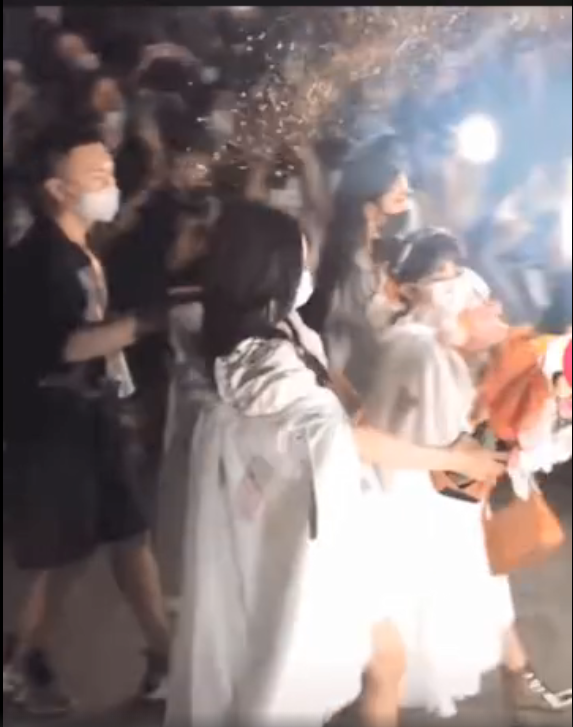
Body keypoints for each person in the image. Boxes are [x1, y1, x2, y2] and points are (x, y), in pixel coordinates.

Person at [163, 200, 506, 726]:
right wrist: (452, 456)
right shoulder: (261, 363)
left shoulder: (281, 329)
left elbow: (340, 405)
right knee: (360, 664)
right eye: (301, 260)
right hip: (310, 535)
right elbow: (343, 438)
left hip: (325, 516)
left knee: (378, 661)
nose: (309, 269)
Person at [360, 228, 571, 725]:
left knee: (475, 601)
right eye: (442, 275)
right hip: (418, 501)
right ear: (408, 288)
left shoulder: (429, 343)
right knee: (403, 635)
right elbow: (431, 444)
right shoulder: (417, 349)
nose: (459, 286)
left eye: (457, 272)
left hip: (440, 494)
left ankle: (521, 687)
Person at [3, 123, 170, 716]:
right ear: (56, 189)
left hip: (92, 417)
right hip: (55, 430)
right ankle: (21, 665)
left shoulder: (79, 248)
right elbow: (65, 345)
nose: (110, 182)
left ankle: (164, 657)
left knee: (127, 536)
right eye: (96, 175)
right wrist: (145, 323)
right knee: (65, 557)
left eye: (110, 170)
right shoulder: (37, 260)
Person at [301, 133, 414, 395]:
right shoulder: (348, 265)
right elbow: (368, 330)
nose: (408, 207)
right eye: (398, 199)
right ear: (370, 210)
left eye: (407, 196)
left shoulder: (381, 253)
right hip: (333, 376)